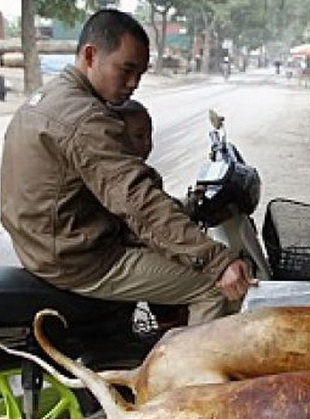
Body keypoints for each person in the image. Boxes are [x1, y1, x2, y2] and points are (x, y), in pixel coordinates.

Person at [0, 9, 253, 325]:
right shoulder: (85, 118)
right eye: (126, 69)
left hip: (46, 247)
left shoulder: (49, 97)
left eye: (141, 73)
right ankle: (186, 374)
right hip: (79, 261)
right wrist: (217, 261)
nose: (133, 83)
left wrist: (184, 212)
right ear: (91, 55)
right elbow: (136, 200)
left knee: (175, 244)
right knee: (216, 287)